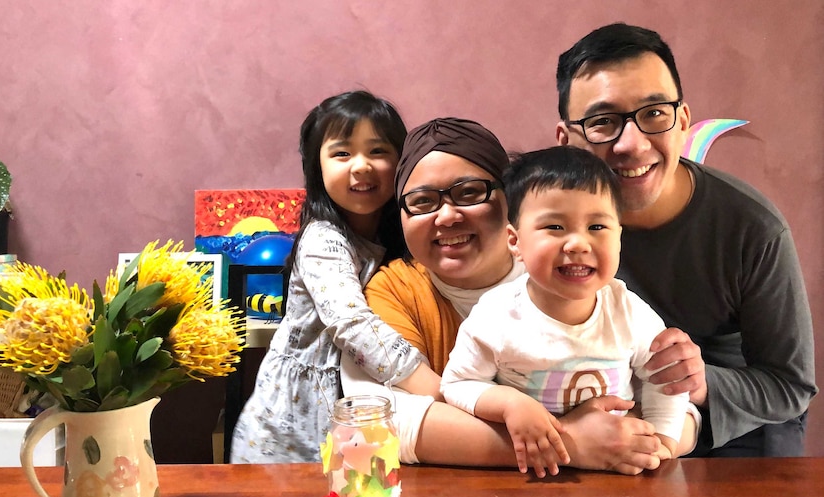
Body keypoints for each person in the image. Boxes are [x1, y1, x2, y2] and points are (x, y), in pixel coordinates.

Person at [342, 117, 698, 475]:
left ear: (508, 202)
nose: (447, 216)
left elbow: (672, 399)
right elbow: (374, 422)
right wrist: (571, 443)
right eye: (421, 201)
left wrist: (658, 441)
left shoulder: (582, 282)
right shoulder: (395, 293)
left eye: (469, 192)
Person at [555, 23, 817, 456]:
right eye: (602, 123)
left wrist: (700, 379)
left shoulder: (751, 227)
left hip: (729, 435)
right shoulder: (539, 224)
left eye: (654, 113)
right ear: (566, 139)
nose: (632, 144)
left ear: (682, 120)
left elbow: (790, 387)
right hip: (596, 426)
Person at [440, 146, 689, 476]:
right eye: (555, 227)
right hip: (531, 477)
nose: (578, 244)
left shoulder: (629, 312)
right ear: (515, 242)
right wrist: (510, 404)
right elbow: (457, 385)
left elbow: (665, 379)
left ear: (619, 237)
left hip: (619, 474)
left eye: (597, 227)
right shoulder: (497, 316)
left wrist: (663, 439)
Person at [230, 90, 424, 463]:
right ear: (317, 167)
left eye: (378, 151)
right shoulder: (323, 237)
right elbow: (352, 323)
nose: (361, 166)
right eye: (342, 153)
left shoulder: (398, 240)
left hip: (359, 421)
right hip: (288, 432)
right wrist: (431, 386)